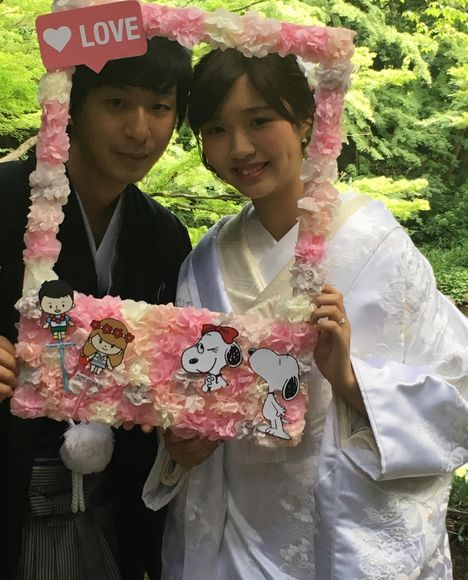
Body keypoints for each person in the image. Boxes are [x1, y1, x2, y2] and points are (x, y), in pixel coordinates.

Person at [144, 48, 468, 579]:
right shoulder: (202, 261)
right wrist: (181, 441)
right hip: (232, 535)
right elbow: (185, 394)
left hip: (339, 532)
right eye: (217, 129)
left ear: (304, 120)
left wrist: (349, 378)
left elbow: (457, 390)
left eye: (259, 121)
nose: (239, 147)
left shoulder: (374, 243)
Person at [0, 37, 192, 580]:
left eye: (160, 107)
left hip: (109, 514)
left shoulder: (164, 235)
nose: (140, 129)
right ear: (72, 104)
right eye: (117, 102)